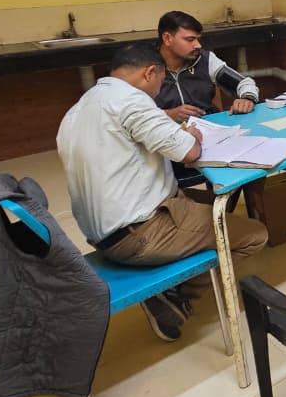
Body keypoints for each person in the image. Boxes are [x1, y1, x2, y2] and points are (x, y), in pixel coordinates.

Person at [57, 43, 268, 342]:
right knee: (255, 234)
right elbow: (190, 151)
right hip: (140, 233)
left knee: (219, 201)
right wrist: (192, 137)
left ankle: (175, 271)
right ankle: (172, 293)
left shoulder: (80, 107)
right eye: (160, 81)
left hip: (102, 232)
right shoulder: (132, 101)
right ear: (150, 72)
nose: (159, 90)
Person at [155, 10, 260, 121]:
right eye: (190, 40)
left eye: (198, 39)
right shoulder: (147, 66)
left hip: (207, 125)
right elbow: (140, 113)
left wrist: (248, 98)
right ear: (167, 39)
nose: (198, 45)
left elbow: (243, 83)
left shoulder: (205, 59)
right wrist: (168, 115)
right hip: (163, 129)